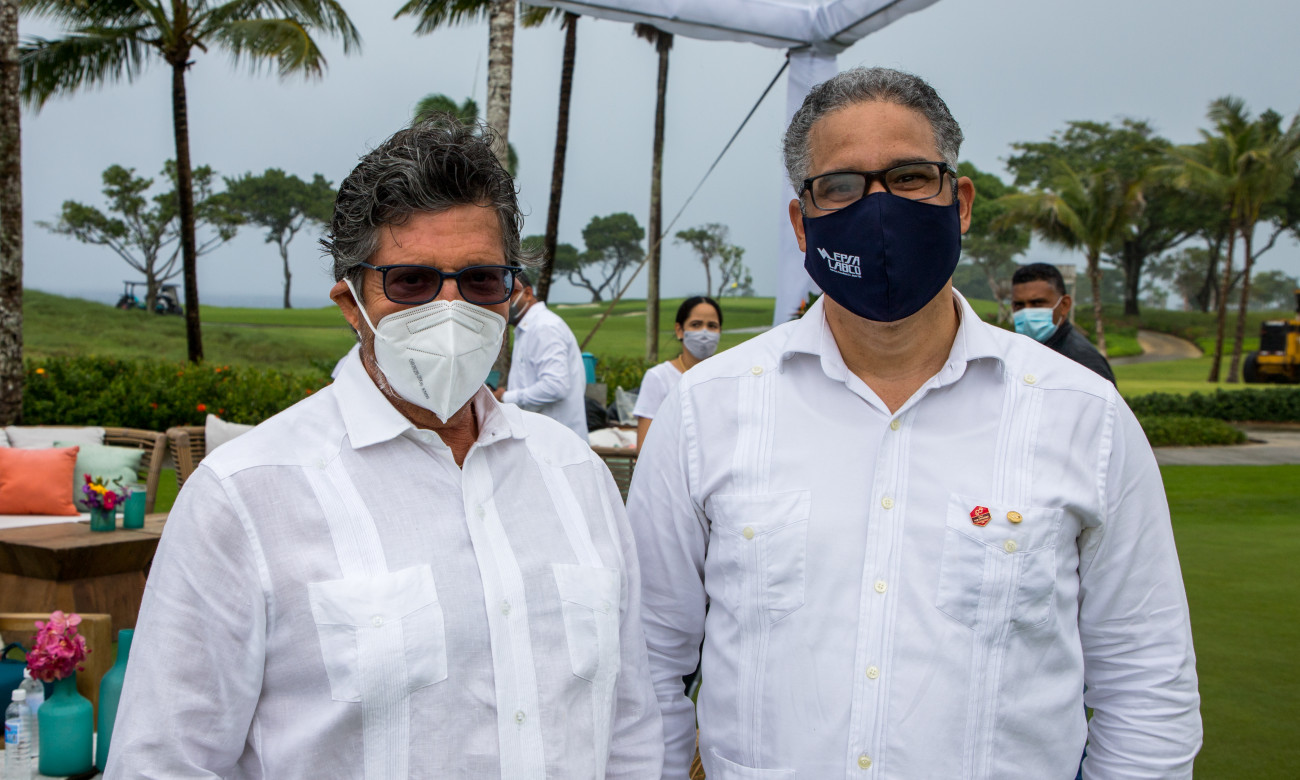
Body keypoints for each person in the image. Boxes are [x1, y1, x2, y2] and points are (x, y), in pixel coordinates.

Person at [629, 67, 1200, 779]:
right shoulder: (704, 410)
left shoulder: (1083, 415)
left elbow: (1146, 681)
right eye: (842, 185)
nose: (879, 207)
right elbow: (647, 665)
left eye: (909, 177)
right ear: (803, 223)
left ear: (960, 202)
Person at [107, 118, 663, 779]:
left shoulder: (575, 476)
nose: (451, 307)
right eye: (412, 282)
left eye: (481, 280)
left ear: (510, 292)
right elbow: (165, 761)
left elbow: (628, 727)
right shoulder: (246, 497)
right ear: (352, 303)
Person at [494, 275, 589, 440]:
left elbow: (555, 386)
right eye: (500, 296)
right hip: (545, 438)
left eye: (510, 294)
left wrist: (506, 397)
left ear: (528, 294)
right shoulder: (528, 328)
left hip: (557, 441)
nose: (505, 302)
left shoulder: (544, 327)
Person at [632, 296, 723, 448]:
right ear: (679, 330)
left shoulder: (728, 378)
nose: (704, 332)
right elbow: (644, 446)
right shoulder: (659, 377)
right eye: (696, 324)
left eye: (712, 326)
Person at [1012, 262, 1116, 384]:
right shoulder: (1018, 351)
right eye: (1019, 305)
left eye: (1037, 303)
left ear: (1064, 305)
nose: (1027, 312)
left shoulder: (1083, 361)